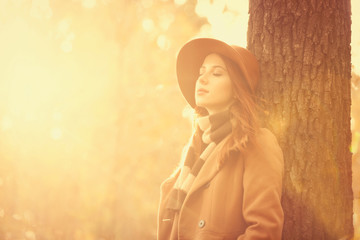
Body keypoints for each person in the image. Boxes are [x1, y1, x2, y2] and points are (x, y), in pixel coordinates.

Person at [157, 38, 284, 240]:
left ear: (237, 90)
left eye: (216, 73)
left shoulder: (255, 143)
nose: (203, 79)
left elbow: (264, 230)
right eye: (201, 72)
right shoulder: (193, 151)